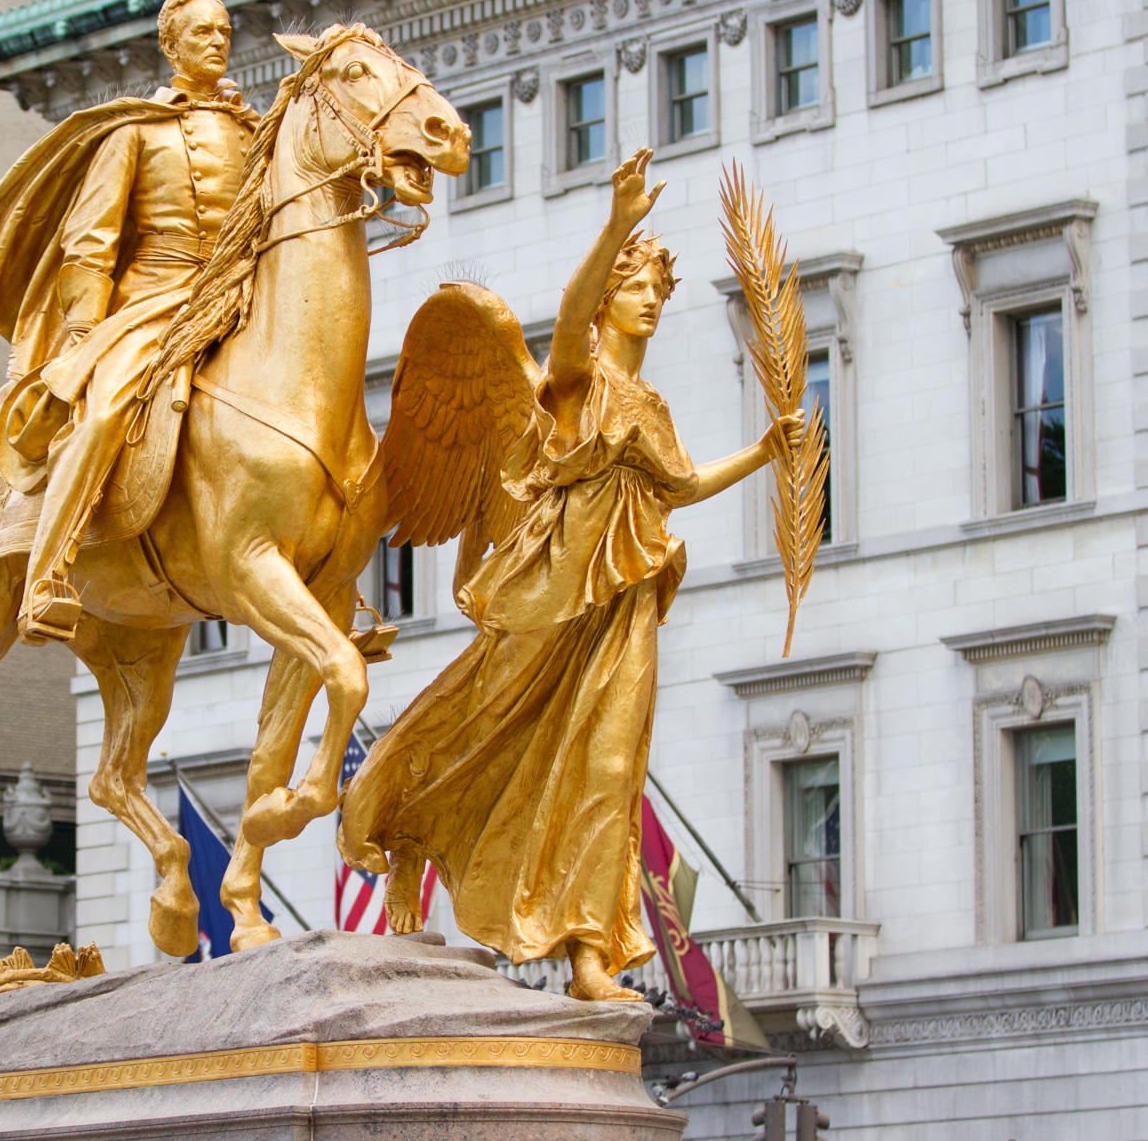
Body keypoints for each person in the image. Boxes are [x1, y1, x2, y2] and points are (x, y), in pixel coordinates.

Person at [337, 149, 804, 1001]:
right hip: (551, 599)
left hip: (623, 606)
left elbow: (684, 485)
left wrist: (766, 453)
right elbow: (571, 319)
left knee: (610, 767)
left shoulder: (649, 407)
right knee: (476, 724)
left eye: (662, 292)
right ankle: (405, 830)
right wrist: (618, 221)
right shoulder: (576, 383)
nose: (654, 301)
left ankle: (592, 952)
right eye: (641, 287)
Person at [3, 0, 256, 643]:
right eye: (202, 31)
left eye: (225, 30)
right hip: (153, 301)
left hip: (237, 295)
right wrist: (87, 332)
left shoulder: (255, 131)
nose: (217, 40)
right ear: (171, 46)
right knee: (108, 410)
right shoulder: (137, 130)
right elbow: (90, 241)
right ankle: (46, 575)